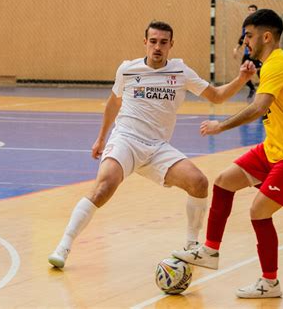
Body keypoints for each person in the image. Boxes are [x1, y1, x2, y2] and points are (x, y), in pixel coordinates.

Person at [48, 21, 256, 269]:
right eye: (153, 41)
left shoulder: (181, 72)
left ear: (171, 45)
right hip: (126, 139)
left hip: (157, 148)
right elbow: (113, 103)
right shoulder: (127, 69)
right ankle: (64, 245)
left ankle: (191, 247)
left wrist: (242, 78)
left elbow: (217, 97)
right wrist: (101, 137)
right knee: (103, 188)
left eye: (163, 42)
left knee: (199, 183)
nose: (158, 47)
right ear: (145, 42)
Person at [173, 9, 283, 298]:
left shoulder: (278, 64)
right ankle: (210, 251)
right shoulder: (277, 65)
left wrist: (220, 126)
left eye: (249, 36)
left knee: (258, 210)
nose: (245, 43)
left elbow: (258, 108)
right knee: (224, 181)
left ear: (267, 36)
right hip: (275, 148)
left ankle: (270, 283)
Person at [233, 4, 262, 102]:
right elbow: (243, 38)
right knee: (244, 72)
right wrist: (236, 48)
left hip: (257, 52)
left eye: (253, 10)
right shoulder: (246, 24)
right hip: (247, 53)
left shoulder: (260, 24)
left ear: (256, 11)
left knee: (261, 72)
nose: (251, 12)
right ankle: (252, 89)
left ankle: (264, 91)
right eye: (250, 10)